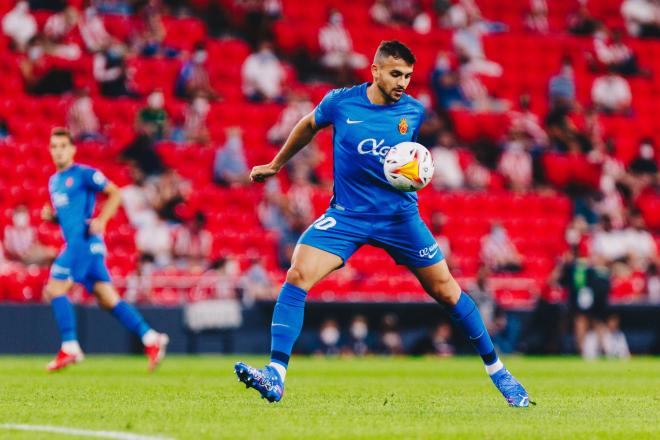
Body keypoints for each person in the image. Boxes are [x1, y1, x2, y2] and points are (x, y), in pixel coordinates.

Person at [234, 41, 532, 407]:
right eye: (395, 74)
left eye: (407, 75)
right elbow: (308, 125)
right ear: (374, 71)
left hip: (399, 218)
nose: (402, 82)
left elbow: (410, 162)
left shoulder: (413, 112)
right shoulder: (341, 102)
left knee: (447, 291)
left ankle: (499, 371)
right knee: (297, 275)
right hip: (348, 215)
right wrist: (275, 165)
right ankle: (276, 375)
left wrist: (417, 173)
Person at [41, 128, 169, 372]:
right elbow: (70, 217)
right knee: (108, 298)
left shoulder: (83, 174)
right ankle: (151, 338)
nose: (58, 151)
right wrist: (53, 218)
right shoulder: (54, 182)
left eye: (63, 146)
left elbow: (115, 192)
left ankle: (70, 346)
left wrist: (102, 220)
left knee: (55, 287)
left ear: (72, 149)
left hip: (84, 243)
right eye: (54, 146)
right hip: (82, 245)